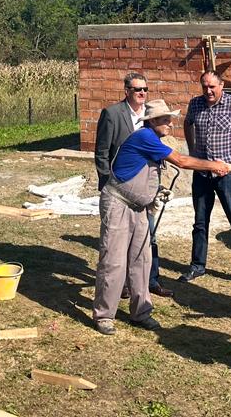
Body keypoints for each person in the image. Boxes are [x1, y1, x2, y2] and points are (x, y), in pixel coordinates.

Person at [93, 99, 231, 335]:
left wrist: (153, 192)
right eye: (166, 119)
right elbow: (182, 161)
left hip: (139, 208)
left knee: (142, 259)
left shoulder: (153, 140)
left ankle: (141, 312)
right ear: (153, 121)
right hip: (118, 204)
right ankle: (104, 316)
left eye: (170, 119)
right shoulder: (144, 137)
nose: (170, 123)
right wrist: (213, 165)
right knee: (114, 260)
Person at [180, 70, 231, 288]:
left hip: (228, 174)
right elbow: (188, 123)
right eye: (204, 86)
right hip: (202, 173)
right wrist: (192, 149)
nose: (208, 91)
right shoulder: (196, 104)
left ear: (222, 85)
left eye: (212, 86)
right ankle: (197, 265)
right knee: (200, 222)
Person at [94, 73, 173, 297]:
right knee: (117, 245)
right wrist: (108, 182)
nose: (142, 93)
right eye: (137, 89)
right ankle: (122, 287)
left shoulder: (153, 116)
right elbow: (102, 152)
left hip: (144, 189)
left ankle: (150, 281)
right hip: (119, 190)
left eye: (145, 89)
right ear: (126, 90)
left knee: (147, 239)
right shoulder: (112, 114)